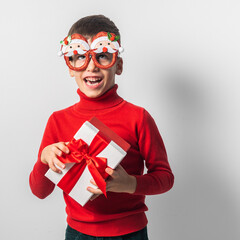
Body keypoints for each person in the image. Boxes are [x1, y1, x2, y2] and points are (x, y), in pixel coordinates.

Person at [29, 15, 174, 240]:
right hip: (78, 233)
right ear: (70, 67)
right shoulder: (58, 120)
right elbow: (40, 191)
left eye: (102, 56)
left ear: (118, 65)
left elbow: (165, 177)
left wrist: (130, 183)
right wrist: (44, 159)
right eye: (79, 58)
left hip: (130, 232)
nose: (91, 67)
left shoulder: (139, 117)